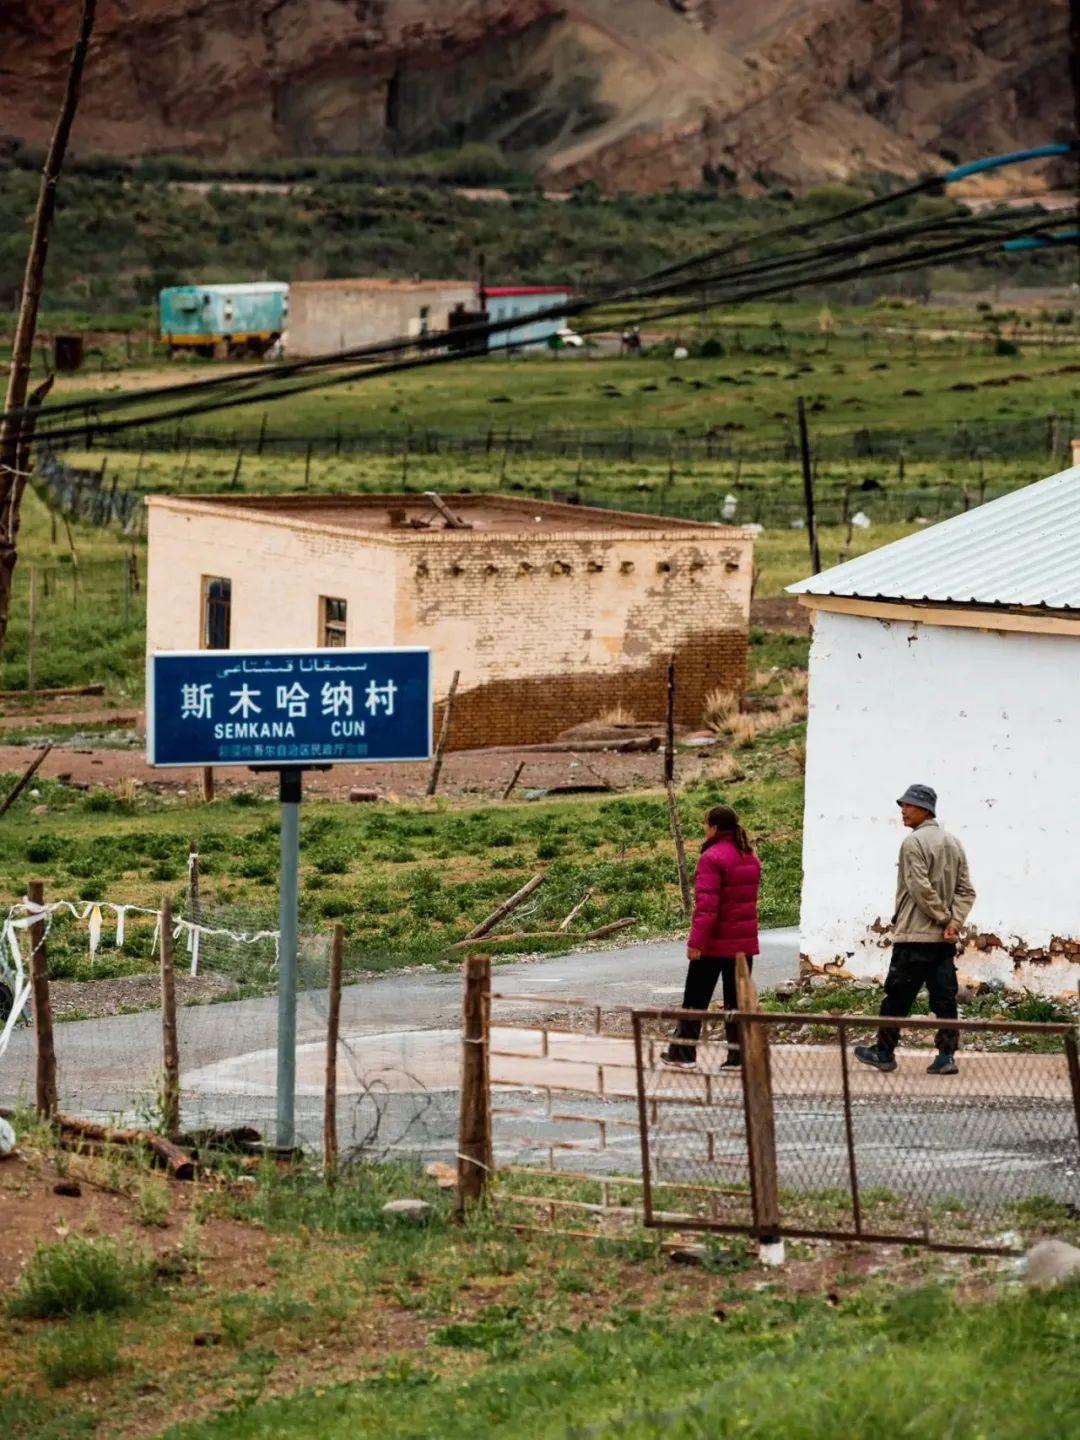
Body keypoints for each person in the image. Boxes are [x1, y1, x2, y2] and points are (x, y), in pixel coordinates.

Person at [855, 783, 976, 1077]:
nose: (903, 810)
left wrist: (944, 918)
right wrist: (954, 922)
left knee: (896, 996)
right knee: (945, 1000)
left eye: (908, 805)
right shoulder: (953, 843)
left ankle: (884, 1052)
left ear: (925, 809)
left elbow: (919, 887)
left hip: (914, 936)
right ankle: (946, 1056)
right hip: (941, 941)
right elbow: (966, 890)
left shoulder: (913, 843)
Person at [661, 804, 761, 1069]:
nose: (704, 829)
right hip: (743, 945)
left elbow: (707, 907)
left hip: (715, 944)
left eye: (705, 824)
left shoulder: (712, 857)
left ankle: (683, 1054)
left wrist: (696, 943)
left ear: (714, 828)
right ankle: (738, 1057)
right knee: (736, 1001)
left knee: (695, 998)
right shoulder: (749, 855)